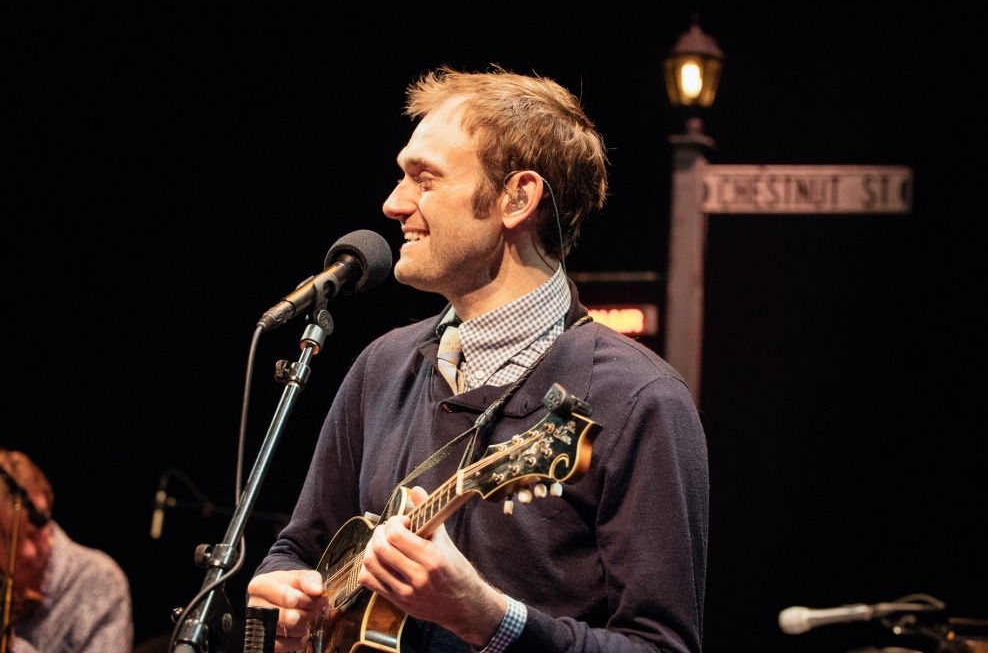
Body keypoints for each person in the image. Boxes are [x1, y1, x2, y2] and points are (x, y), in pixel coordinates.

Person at [246, 64, 709, 653]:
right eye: (400, 176)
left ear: (517, 197)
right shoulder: (381, 366)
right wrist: (279, 594)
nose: (393, 203)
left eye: (425, 178)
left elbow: (661, 647)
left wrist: (490, 619)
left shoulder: (639, 400)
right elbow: (298, 549)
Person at [0, 449, 134, 653]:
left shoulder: (99, 580)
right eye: (11, 539)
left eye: (36, 532)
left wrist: (11, 643)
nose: (28, 551)